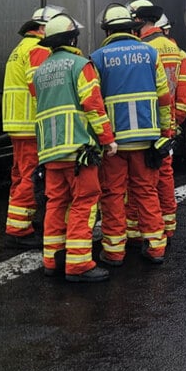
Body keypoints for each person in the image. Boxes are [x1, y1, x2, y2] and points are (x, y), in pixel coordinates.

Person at [30, 14, 117, 282]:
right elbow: (93, 105)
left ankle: (52, 259)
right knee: (84, 203)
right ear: (72, 38)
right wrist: (107, 140)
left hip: (51, 151)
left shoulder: (40, 72)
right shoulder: (80, 65)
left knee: (56, 203)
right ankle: (79, 265)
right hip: (79, 150)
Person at [90, 4, 173, 266]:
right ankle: (156, 248)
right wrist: (166, 132)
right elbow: (164, 96)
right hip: (147, 138)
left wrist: (101, 139)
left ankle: (114, 252)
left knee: (113, 194)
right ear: (132, 29)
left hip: (114, 142)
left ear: (107, 31)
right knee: (146, 191)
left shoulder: (98, 57)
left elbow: (94, 102)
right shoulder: (150, 53)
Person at [2, 5, 64, 249]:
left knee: (19, 176)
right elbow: (40, 87)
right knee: (30, 176)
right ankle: (19, 230)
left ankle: (16, 221)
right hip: (31, 124)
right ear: (43, 27)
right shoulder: (38, 49)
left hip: (17, 124)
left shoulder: (20, 48)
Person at [127, 0, 186, 242]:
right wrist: (175, 121)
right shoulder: (176, 50)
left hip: (145, 124)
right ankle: (167, 226)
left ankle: (137, 231)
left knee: (139, 182)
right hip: (167, 125)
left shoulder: (142, 50)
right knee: (164, 177)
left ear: (139, 22)